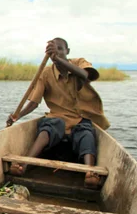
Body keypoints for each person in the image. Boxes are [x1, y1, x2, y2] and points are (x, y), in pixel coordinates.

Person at [6, 38, 110, 189]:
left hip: (79, 117)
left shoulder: (79, 63)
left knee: (86, 132)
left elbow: (85, 75)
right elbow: (34, 102)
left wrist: (59, 60)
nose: (58, 52)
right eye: (54, 51)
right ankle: (24, 164)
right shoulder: (46, 73)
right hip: (56, 117)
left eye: (60, 49)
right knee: (50, 126)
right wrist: (17, 116)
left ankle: (90, 172)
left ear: (68, 51)